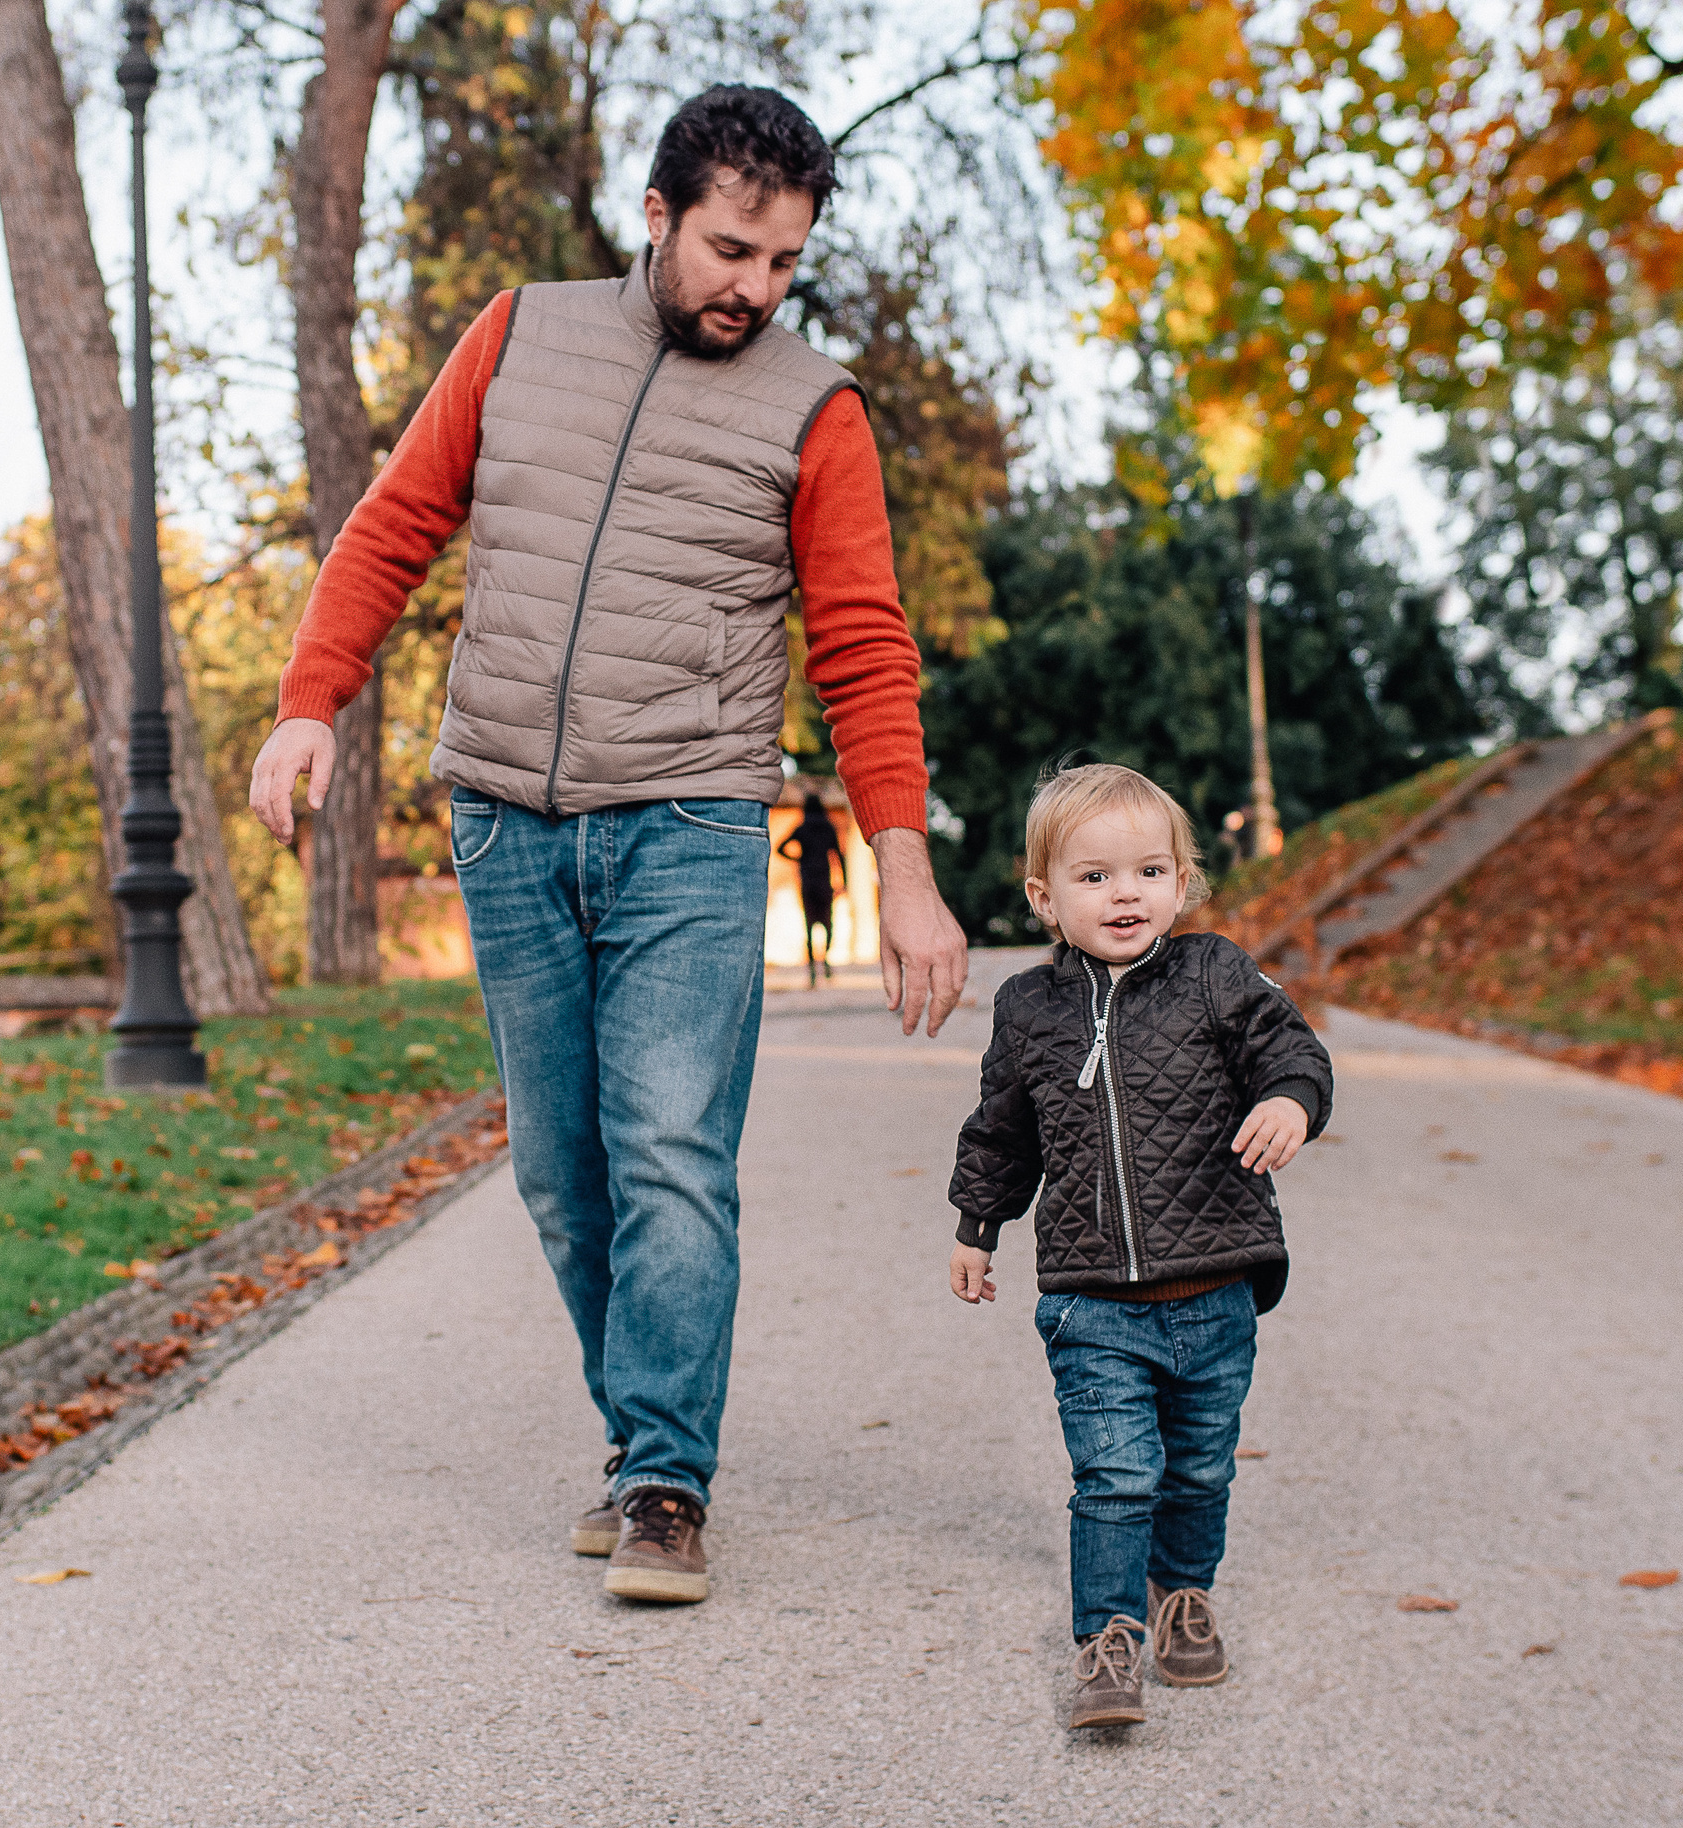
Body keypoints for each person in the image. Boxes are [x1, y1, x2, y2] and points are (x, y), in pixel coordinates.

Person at [249, 85, 968, 1605]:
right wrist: (311, 701)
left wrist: (903, 869)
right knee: (562, 1178)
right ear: (655, 217)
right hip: (506, 819)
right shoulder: (519, 335)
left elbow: (860, 644)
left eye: (784, 264)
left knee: (670, 1160)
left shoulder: (814, 409)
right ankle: (642, 1435)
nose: (754, 290)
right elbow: (392, 526)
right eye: (730, 250)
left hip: (695, 826)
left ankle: (660, 1482)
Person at [946, 763, 1332, 1726]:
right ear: (1044, 897)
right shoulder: (1028, 1009)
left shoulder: (1216, 975)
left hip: (1217, 1287)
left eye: (1149, 871)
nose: (1126, 893)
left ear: (1181, 881)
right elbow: (1002, 1131)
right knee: (1116, 1475)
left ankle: (1181, 1593)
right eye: (1095, 876)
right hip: (1089, 1300)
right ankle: (1107, 1638)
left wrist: (1290, 1098)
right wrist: (977, 1227)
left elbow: (1293, 1050)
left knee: (1200, 1467)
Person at [776, 791, 847, 986]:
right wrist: (844, 882)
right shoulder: (828, 828)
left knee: (808, 926)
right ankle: (825, 960)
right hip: (824, 881)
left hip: (807, 881)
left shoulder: (802, 828)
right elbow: (838, 856)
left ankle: (813, 972)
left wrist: (797, 858)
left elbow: (780, 847)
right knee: (828, 924)